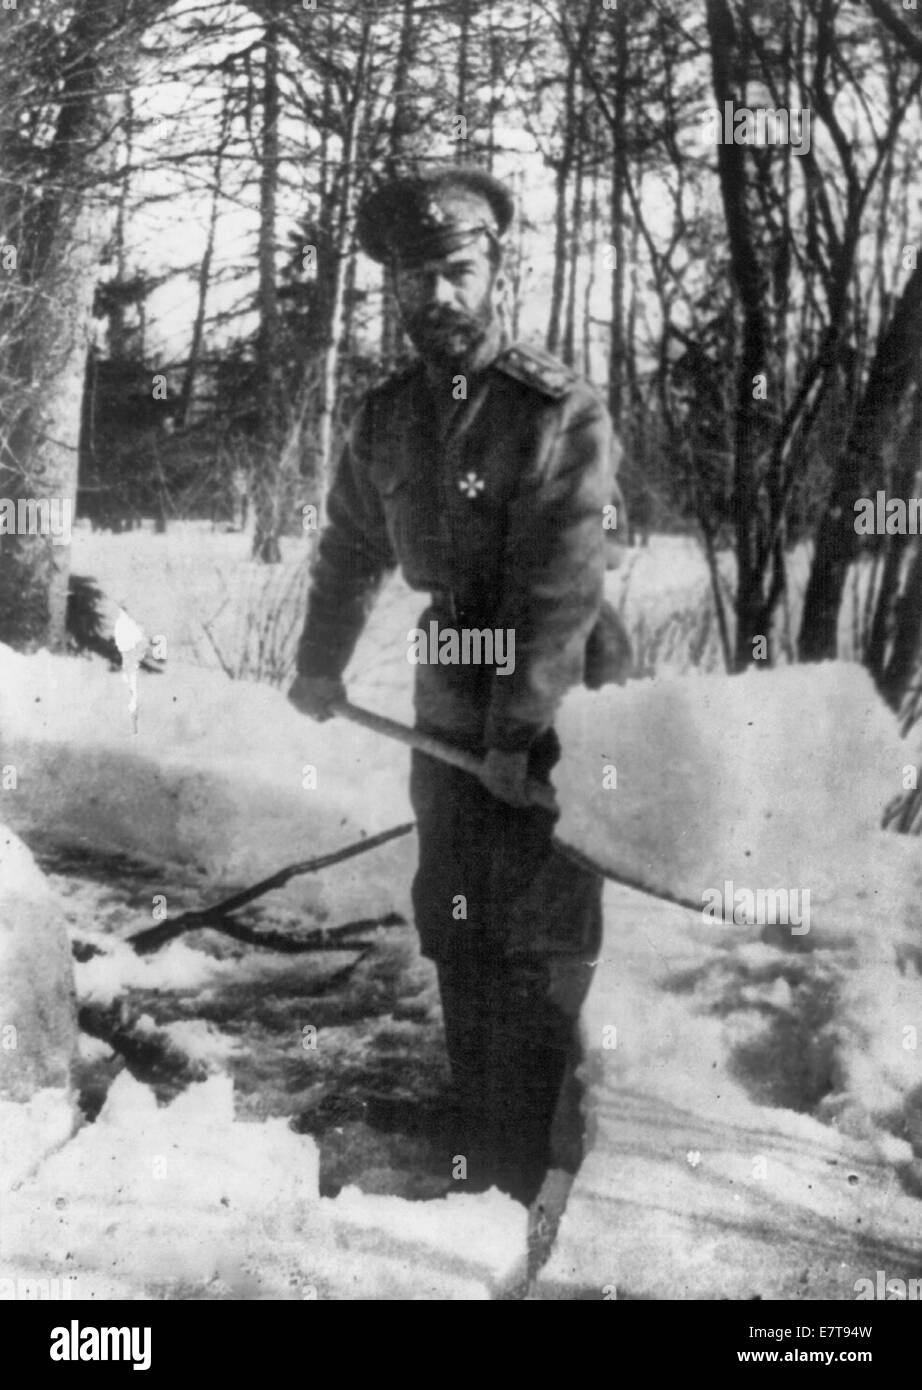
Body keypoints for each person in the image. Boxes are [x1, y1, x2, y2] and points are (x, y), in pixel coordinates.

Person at [289, 167, 627, 1205]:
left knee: (536, 921)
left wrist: (517, 735)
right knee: (455, 904)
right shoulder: (386, 415)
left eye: (457, 271)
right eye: (414, 278)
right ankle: (478, 1119)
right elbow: (348, 547)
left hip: (559, 685)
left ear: (496, 273)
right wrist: (320, 661)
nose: (436, 296)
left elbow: (560, 586)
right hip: (450, 681)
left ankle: (530, 1149)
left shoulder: (556, 409)